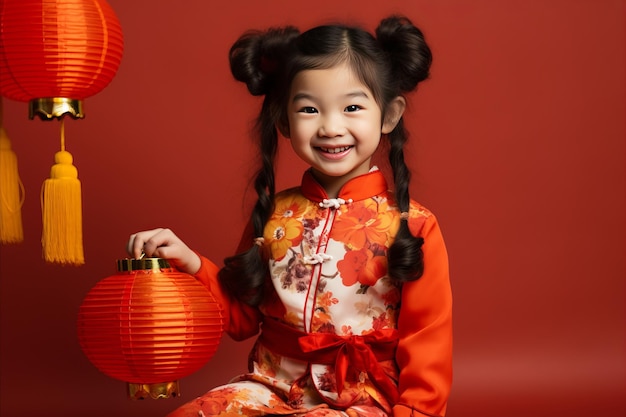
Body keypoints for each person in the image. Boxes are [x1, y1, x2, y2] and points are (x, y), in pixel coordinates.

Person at [127, 15, 452, 417]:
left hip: (362, 399)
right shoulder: (275, 214)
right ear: (283, 118)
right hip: (270, 388)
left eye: (352, 107)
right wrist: (190, 262)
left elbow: (427, 341)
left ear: (388, 114)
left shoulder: (414, 224)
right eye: (310, 109)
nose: (331, 127)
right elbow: (243, 319)